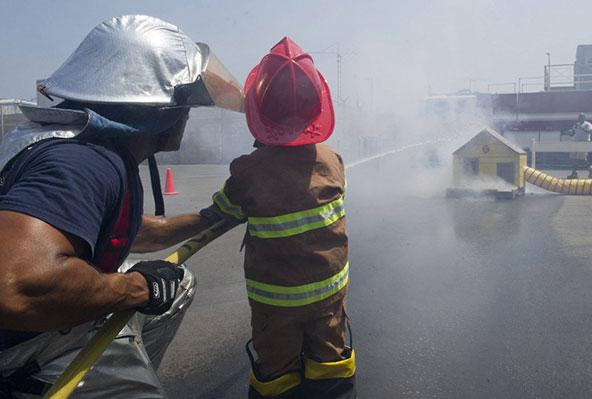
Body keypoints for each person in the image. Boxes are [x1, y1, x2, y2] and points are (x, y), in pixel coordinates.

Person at [0, 15, 243, 398]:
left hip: (35, 322)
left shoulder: (83, 142)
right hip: (22, 344)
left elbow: (124, 231)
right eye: (185, 106)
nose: (187, 116)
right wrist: (136, 288)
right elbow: (20, 287)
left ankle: (119, 363)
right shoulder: (84, 162)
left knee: (177, 285)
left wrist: (215, 217)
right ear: (158, 110)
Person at [201, 37, 356, 399]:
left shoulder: (248, 172)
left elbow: (223, 209)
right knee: (329, 361)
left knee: (276, 372)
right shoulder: (332, 160)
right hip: (329, 295)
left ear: (259, 114)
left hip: (276, 304)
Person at [562, 112, 592, 179]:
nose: (580, 118)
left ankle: (591, 169)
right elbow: (573, 133)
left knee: (581, 158)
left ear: (584, 118)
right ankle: (574, 173)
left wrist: (583, 129)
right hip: (576, 142)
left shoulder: (587, 124)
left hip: (584, 142)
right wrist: (569, 133)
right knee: (573, 158)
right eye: (579, 117)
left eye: (582, 117)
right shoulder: (576, 124)